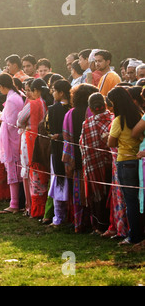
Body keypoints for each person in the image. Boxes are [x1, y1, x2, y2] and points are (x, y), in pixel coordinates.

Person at [108, 86, 144, 245]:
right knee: (139, 199)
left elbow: (111, 142)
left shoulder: (118, 121)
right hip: (139, 162)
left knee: (130, 201)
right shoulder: (139, 116)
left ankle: (134, 235)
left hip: (125, 162)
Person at [62, 83, 98, 233]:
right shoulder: (93, 112)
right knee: (93, 190)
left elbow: (66, 138)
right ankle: (93, 223)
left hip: (75, 159)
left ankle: (79, 223)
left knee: (77, 191)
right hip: (92, 158)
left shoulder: (70, 114)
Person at [79, 93, 113, 235]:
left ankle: (100, 227)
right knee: (112, 194)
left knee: (99, 195)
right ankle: (113, 225)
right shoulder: (113, 118)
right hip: (112, 164)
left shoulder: (88, 123)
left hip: (95, 166)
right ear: (105, 105)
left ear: (90, 109)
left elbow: (83, 144)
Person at [17, 78, 48, 218]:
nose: (28, 93)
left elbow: (19, 120)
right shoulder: (46, 102)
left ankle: (34, 208)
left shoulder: (34, 103)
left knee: (31, 171)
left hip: (30, 140)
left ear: (36, 91)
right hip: (44, 140)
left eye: (31, 90)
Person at [0, 73, 25, 213]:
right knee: (17, 172)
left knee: (14, 172)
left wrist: (0, 116)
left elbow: (11, 122)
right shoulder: (15, 96)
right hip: (15, 139)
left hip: (13, 140)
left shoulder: (12, 99)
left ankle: (14, 204)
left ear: (1, 86)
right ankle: (19, 203)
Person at [45, 79, 71, 227]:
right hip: (74, 150)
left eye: (54, 90)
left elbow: (47, 128)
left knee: (59, 180)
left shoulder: (54, 110)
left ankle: (59, 217)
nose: (52, 93)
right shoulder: (75, 107)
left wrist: (57, 136)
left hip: (58, 148)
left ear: (61, 93)